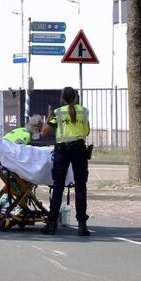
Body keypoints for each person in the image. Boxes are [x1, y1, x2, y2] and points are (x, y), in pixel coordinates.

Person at [41, 87, 91, 236]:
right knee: (81, 187)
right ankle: (82, 225)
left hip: (62, 151)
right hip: (79, 150)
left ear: (63, 98)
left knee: (58, 187)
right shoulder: (83, 111)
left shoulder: (59, 112)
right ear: (75, 98)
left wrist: (49, 118)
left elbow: (45, 131)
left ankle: (51, 224)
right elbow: (87, 131)